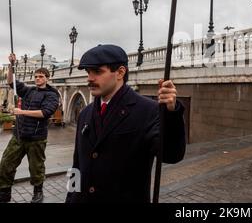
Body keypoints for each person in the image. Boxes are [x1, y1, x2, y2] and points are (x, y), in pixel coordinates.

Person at [65, 44, 186, 203]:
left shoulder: (148, 110)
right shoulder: (85, 113)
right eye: (88, 72)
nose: (90, 78)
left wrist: (171, 113)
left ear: (120, 72)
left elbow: (171, 155)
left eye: (97, 72)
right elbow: (76, 165)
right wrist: (70, 198)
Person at [0, 54, 59, 203]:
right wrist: (11, 64)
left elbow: (45, 113)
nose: (38, 78)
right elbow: (11, 82)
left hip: (36, 139)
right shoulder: (29, 91)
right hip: (19, 136)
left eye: (41, 76)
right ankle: (4, 192)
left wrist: (22, 112)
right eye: (36, 76)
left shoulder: (52, 95)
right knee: (6, 164)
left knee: (36, 168)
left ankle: (38, 193)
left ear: (47, 78)